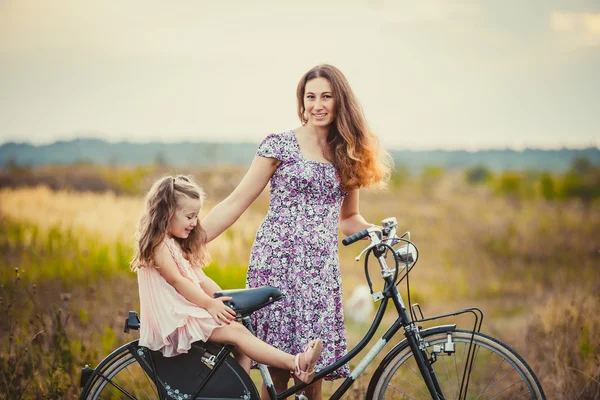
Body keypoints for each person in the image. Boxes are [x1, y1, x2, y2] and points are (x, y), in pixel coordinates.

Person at [201, 64, 392, 399]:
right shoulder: (280, 145)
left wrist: (375, 232)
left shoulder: (346, 153)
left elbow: (349, 218)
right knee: (277, 371)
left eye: (326, 97)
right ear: (301, 103)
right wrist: (191, 240)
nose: (318, 104)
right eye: (310, 97)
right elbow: (236, 202)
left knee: (313, 372)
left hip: (320, 271)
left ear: (339, 102)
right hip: (279, 263)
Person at [130, 174, 323, 384]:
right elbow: (177, 280)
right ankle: (297, 363)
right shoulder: (159, 244)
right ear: (167, 213)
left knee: (242, 348)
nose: (195, 223)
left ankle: (242, 394)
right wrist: (209, 304)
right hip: (174, 321)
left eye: (197, 216)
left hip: (186, 315)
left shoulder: (176, 244)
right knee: (238, 333)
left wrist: (225, 301)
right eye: (189, 216)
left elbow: (201, 280)